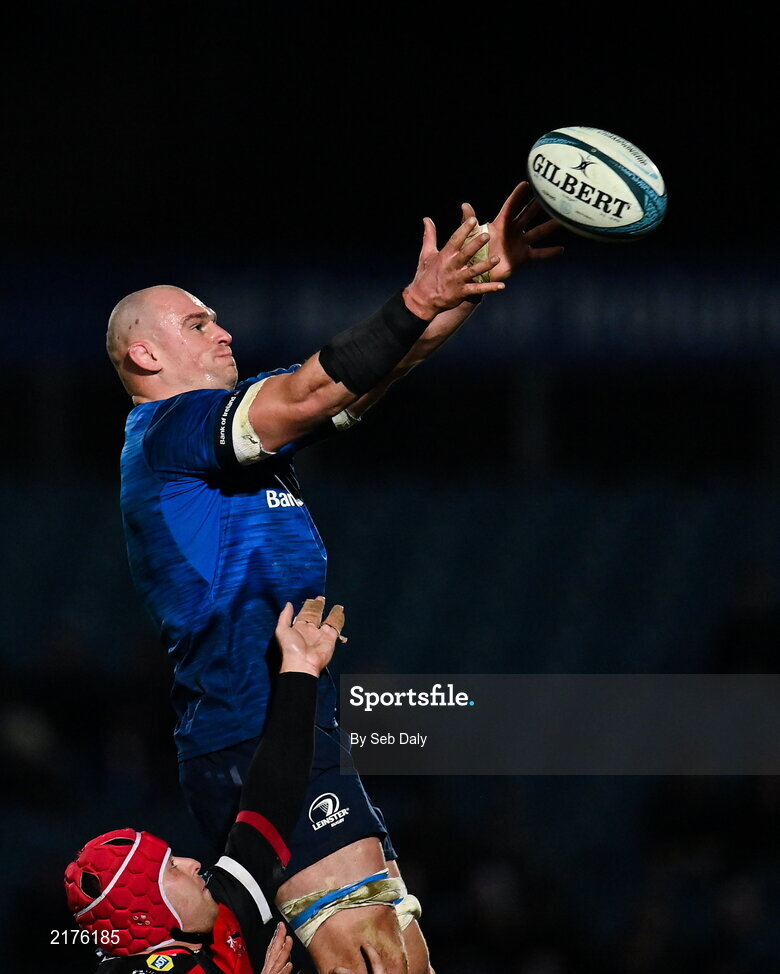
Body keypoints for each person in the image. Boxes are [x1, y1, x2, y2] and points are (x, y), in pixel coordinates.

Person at [106, 184, 563, 974]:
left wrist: (479, 282)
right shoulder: (170, 432)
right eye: (198, 323)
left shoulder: (233, 446)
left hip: (283, 720)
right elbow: (316, 386)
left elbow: (368, 372)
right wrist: (418, 295)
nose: (223, 332)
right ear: (146, 355)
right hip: (249, 728)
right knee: (374, 954)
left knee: (391, 953)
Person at [65, 597, 345, 974]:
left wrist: (301, 668)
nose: (195, 863)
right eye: (173, 869)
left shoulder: (220, 905)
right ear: (149, 914)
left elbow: (271, 795)